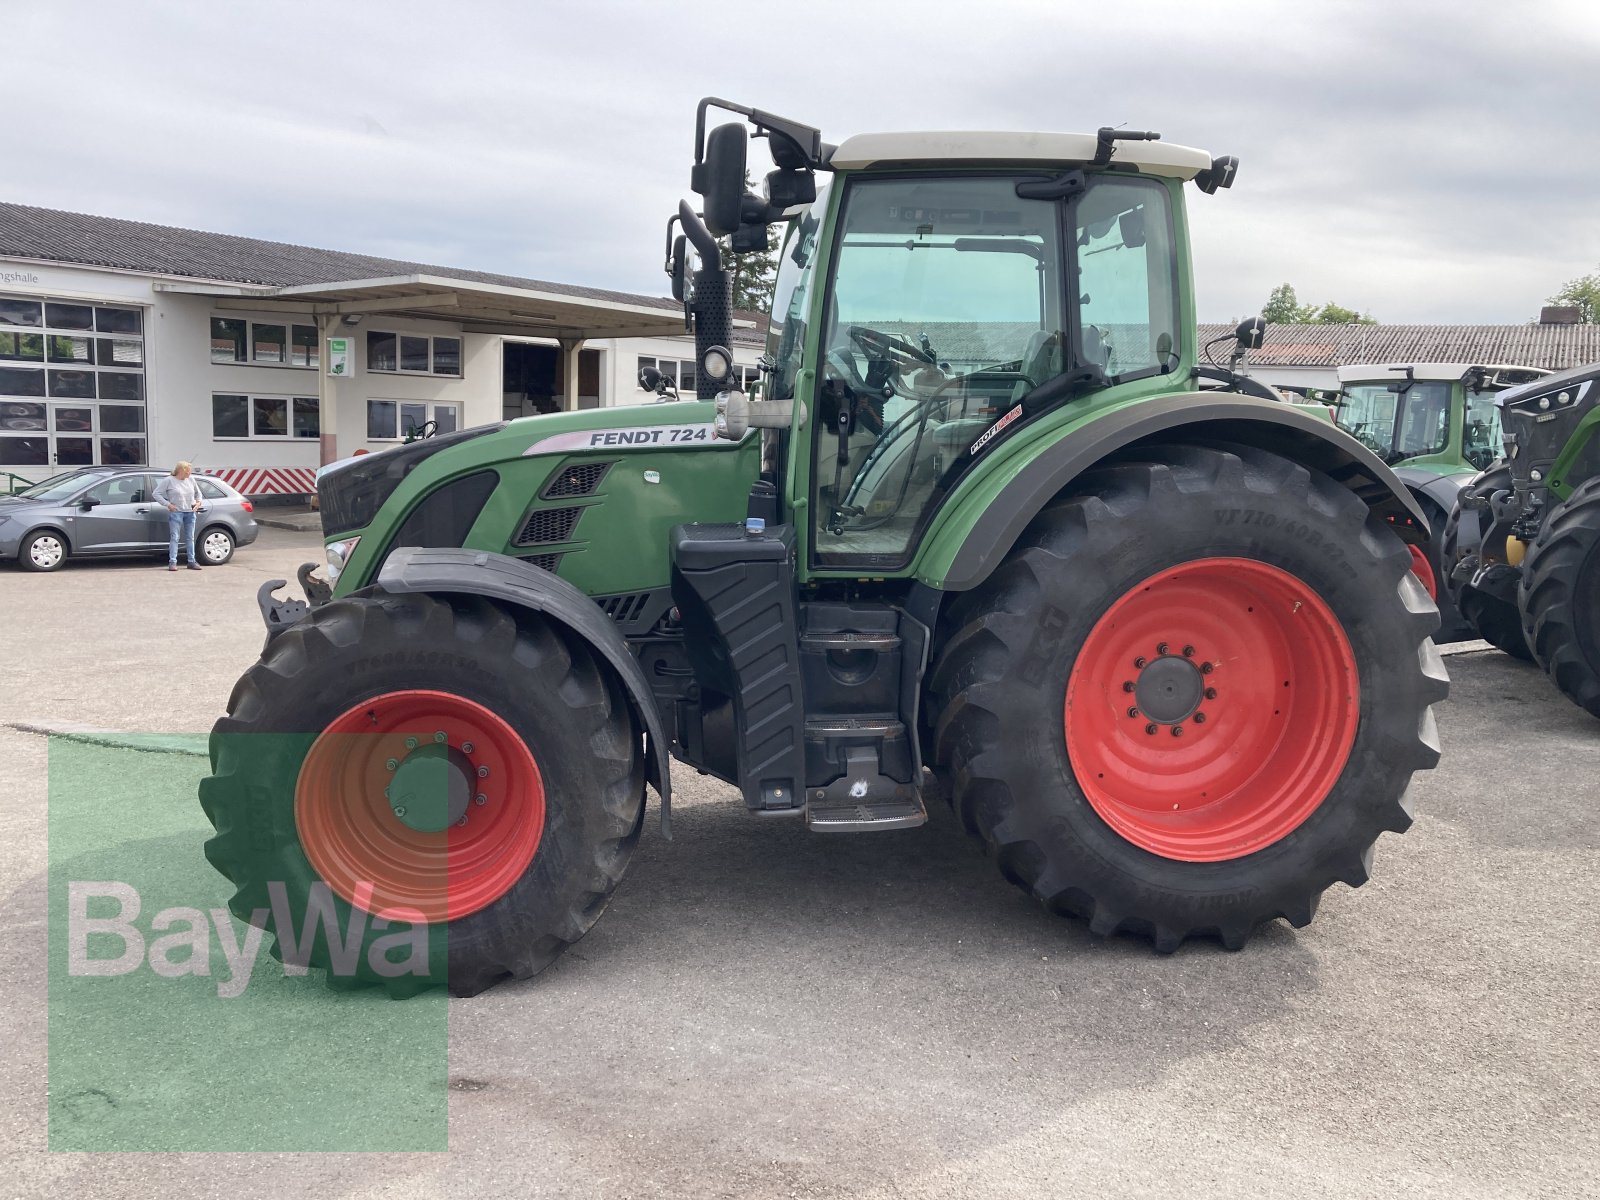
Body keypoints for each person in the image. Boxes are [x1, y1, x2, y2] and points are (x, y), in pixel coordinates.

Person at [153, 461, 204, 572]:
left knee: (190, 537)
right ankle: (172, 562)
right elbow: (156, 493)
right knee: (175, 537)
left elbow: (198, 493)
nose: (189, 474)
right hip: (176, 512)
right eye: (188, 471)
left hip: (190, 512)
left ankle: (191, 561)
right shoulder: (169, 480)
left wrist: (198, 503)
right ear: (181, 470)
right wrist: (168, 504)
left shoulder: (191, 480)